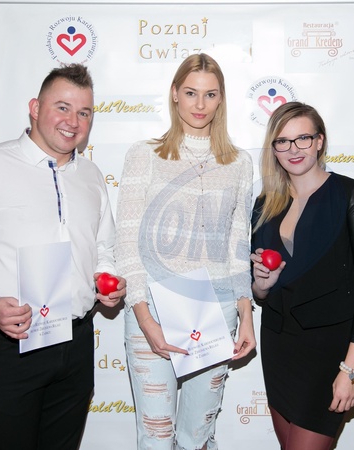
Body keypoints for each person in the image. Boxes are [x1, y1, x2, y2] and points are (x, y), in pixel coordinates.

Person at [0, 64, 126, 450]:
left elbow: (103, 247)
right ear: (35, 108)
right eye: (62, 107)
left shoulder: (92, 175)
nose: (73, 122)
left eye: (84, 112)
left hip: (77, 342)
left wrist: (105, 277)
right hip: (12, 344)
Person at [115, 53, 256, 450]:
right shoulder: (144, 155)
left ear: (221, 99)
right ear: (175, 93)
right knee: (157, 437)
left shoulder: (240, 163)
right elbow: (127, 242)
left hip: (217, 310)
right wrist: (144, 318)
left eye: (210, 94)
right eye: (191, 93)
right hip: (153, 309)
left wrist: (246, 314)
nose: (200, 104)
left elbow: (237, 246)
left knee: (197, 437)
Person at [250, 102, 354, 450]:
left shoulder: (351, 195)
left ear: (320, 141)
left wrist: (351, 370)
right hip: (279, 346)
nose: (294, 149)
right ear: (273, 148)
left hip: (330, 352)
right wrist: (261, 287)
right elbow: (261, 291)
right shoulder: (265, 204)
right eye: (283, 141)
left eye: (303, 138)